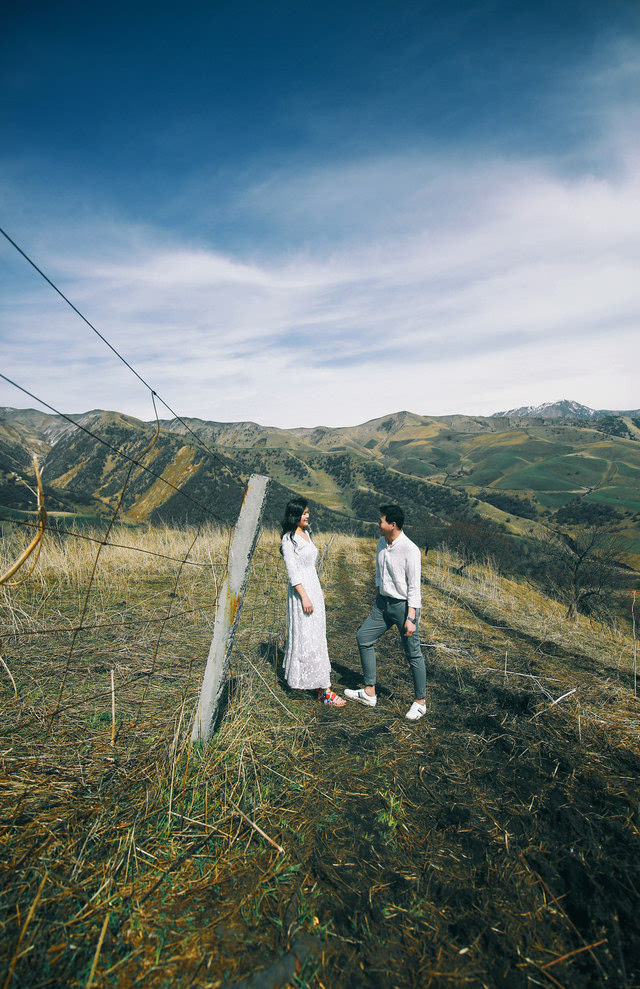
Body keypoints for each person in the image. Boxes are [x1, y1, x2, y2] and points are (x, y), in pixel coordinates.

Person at [344, 504, 427, 721]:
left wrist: (411, 618)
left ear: (393, 524)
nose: (378, 524)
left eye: (381, 521)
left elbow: (414, 588)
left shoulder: (411, 550)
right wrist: (379, 594)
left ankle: (420, 702)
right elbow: (381, 572)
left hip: (402, 607)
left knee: (413, 653)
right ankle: (369, 692)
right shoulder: (381, 542)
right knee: (363, 637)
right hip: (382, 605)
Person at [280, 499, 346, 707]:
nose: (307, 516)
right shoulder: (288, 539)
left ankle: (315, 682)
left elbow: (309, 566)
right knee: (306, 635)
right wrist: (305, 596)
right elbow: (292, 571)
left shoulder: (306, 534)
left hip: (312, 588)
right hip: (301, 592)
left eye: (308, 512)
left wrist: (318, 590)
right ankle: (323, 689)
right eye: (303, 514)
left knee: (316, 635)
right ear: (294, 516)